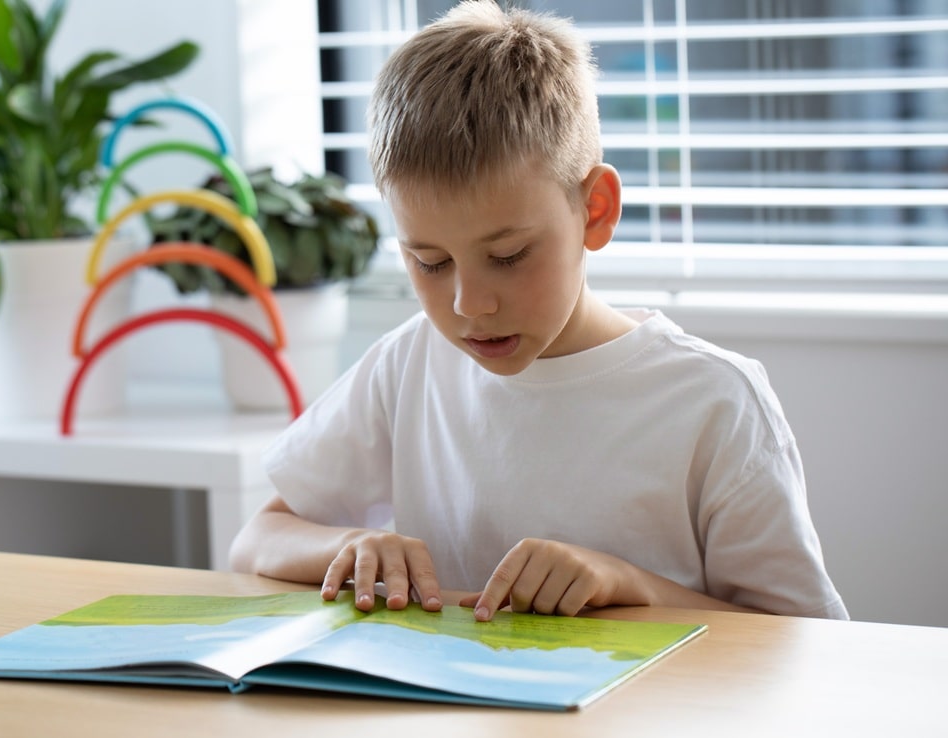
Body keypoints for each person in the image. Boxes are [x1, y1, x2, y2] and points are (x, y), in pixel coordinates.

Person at [229, 0, 848, 622]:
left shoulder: (713, 401)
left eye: (509, 255)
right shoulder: (409, 363)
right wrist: (351, 545)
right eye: (430, 262)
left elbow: (806, 641)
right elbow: (256, 540)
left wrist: (630, 584)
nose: (470, 304)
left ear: (596, 210)